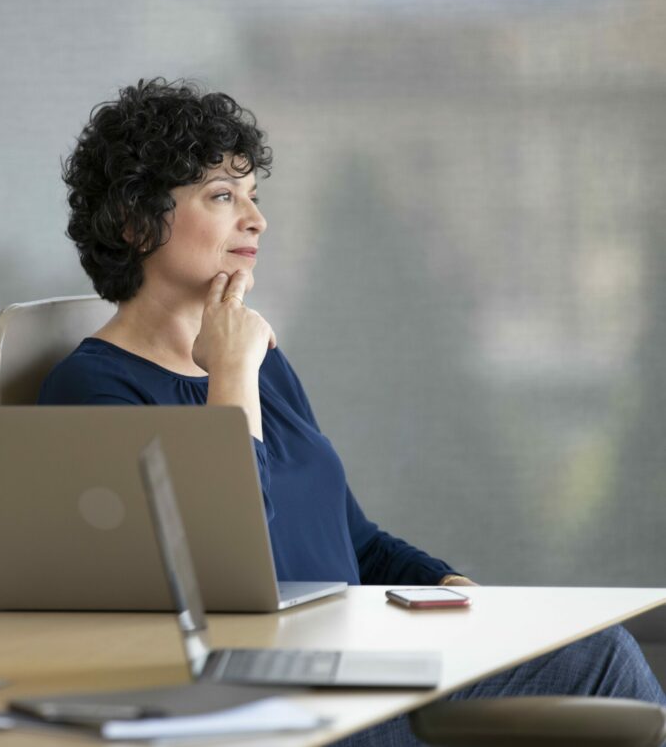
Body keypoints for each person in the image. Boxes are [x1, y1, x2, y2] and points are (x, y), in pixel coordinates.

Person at [38, 78, 665, 744]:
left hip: (352, 659)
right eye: (222, 196)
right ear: (136, 222)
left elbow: (354, 541)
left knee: (605, 655)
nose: (256, 219)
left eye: (254, 197)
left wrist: (445, 584)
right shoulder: (94, 390)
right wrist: (230, 370)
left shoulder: (261, 362)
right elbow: (222, 573)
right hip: (267, 699)